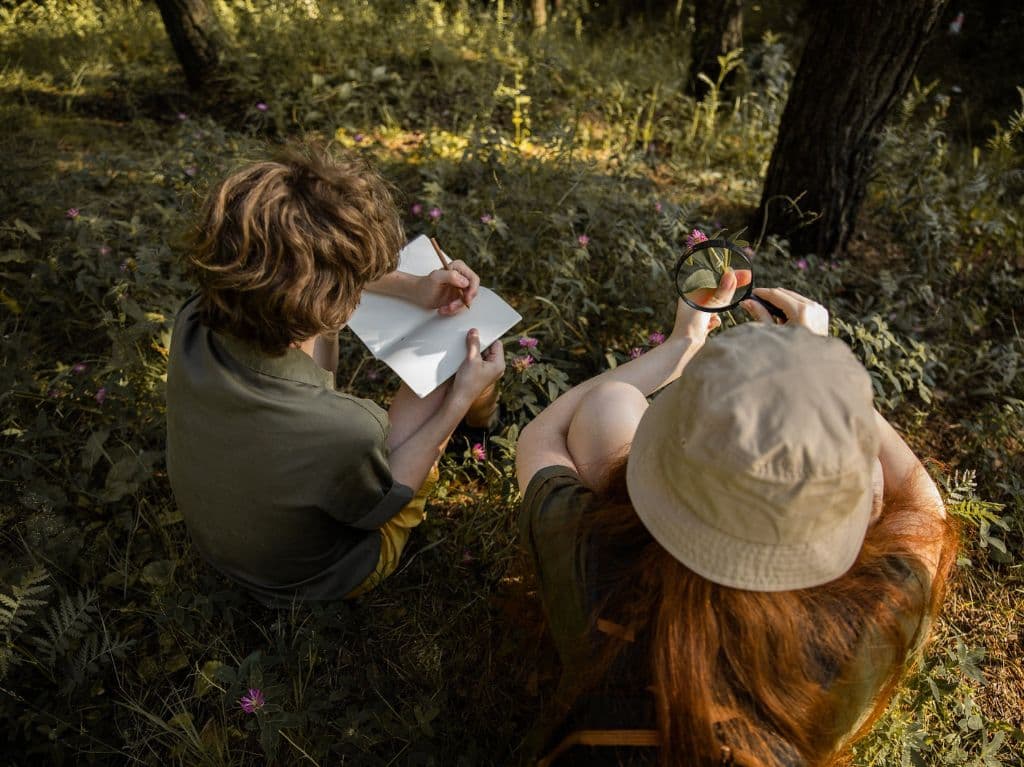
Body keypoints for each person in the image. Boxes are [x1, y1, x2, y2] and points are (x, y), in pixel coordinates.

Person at [515, 273, 957, 767]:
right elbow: (923, 507)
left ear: (661, 477)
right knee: (875, 472)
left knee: (610, 407)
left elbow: (541, 438)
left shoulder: (592, 557)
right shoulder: (857, 626)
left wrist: (683, 345)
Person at [166, 144, 504, 606]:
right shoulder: (347, 429)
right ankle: (480, 426)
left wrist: (412, 288)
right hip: (314, 578)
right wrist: (458, 402)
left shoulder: (194, 318)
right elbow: (385, 502)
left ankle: (476, 418)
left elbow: (297, 266)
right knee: (456, 362)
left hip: (225, 541)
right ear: (324, 301)